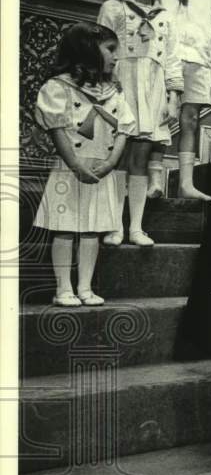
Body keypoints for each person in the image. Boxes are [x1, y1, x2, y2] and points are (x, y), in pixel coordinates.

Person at [33, 22, 136, 306]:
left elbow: (124, 129)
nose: (116, 57)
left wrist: (111, 162)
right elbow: (58, 131)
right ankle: (63, 288)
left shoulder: (113, 91)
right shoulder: (59, 88)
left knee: (93, 230)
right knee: (65, 228)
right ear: (88, 50)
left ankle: (85, 287)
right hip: (72, 168)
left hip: (102, 168)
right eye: (111, 50)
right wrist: (76, 165)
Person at [97, 0, 183, 245]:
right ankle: (114, 226)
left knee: (141, 155)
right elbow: (101, 50)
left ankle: (135, 226)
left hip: (153, 87)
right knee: (118, 156)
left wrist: (172, 96)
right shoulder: (113, 7)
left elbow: (172, 58)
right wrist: (106, 88)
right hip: (121, 84)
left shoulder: (166, 16)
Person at [157, 0, 211, 202]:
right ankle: (153, 180)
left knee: (191, 119)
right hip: (166, 56)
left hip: (198, 59)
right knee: (159, 116)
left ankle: (186, 182)